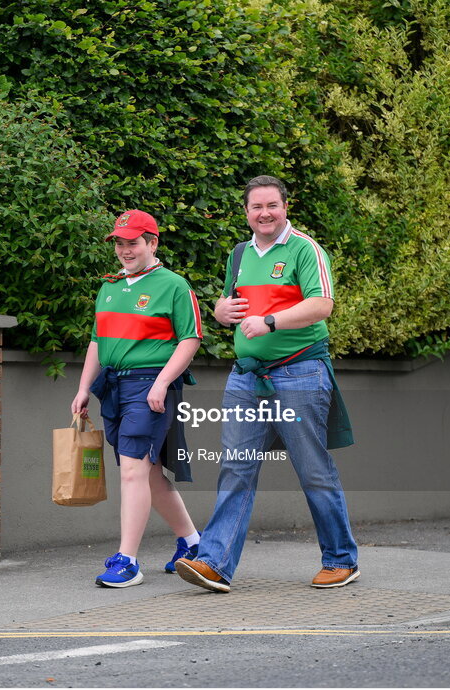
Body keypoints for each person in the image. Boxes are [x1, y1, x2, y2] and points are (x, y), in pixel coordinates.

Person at [175, 175, 359, 592]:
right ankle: (214, 564)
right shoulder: (239, 254)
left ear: (285, 207)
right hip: (246, 377)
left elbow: (322, 304)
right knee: (235, 469)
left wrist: (272, 320)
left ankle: (341, 559)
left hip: (300, 373)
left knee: (312, 469)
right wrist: (221, 311)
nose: (264, 213)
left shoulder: (305, 248)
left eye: (272, 205)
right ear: (246, 212)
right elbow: (230, 304)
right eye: (256, 207)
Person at [71, 209, 203, 588]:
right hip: (113, 387)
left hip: (149, 386)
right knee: (147, 472)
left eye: (133, 242)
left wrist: (161, 383)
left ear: (152, 243)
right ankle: (193, 544)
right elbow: (98, 341)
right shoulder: (110, 287)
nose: (125, 250)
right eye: (119, 243)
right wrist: (83, 387)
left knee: (132, 470)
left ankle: (127, 561)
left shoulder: (174, 285)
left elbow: (190, 339)